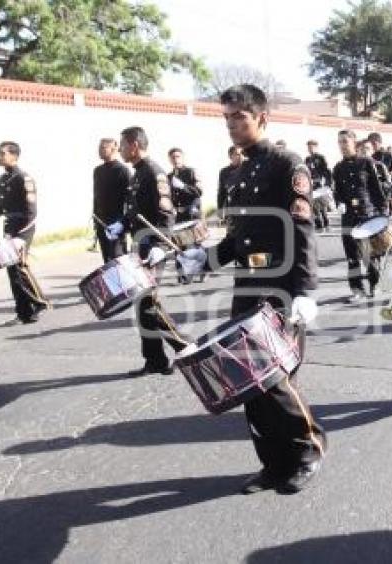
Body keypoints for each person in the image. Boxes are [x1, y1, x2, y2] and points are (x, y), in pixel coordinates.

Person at [177, 83, 326, 495]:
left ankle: (307, 452)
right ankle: (273, 463)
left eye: (238, 117)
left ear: (261, 117)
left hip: (279, 288)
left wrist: (305, 290)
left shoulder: (287, 164)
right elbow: (237, 238)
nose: (231, 125)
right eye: (226, 118)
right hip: (247, 286)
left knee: (275, 377)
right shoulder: (239, 171)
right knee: (247, 381)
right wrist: (204, 259)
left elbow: (302, 230)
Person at [108, 126, 180, 376]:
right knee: (143, 305)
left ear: (134, 145)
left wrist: (161, 247)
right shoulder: (137, 173)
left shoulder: (153, 172)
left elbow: (165, 214)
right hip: (141, 245)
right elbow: (136, 212)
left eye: (123, 145)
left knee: (147, 304)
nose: (121, 149)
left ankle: (184, 346)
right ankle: (156, 360)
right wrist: (122, 224)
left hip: (153, 247)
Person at [0, 141, 51, 324]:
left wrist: (21, 238)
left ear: (14, 156)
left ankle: (35, 304)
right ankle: (28, 310)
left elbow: (31, 212)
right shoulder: (2, 180)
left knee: (18, 269)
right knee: (14, 270)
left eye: (3, 153)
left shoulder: (24, 178)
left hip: (23, 230)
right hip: (9, 229)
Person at [333, 130, 387, 301]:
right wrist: (339, 202)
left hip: (367, 214)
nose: (342, 145)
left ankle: (374, 284)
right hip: (348, 216)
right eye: (340, 142)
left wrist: (383, 213)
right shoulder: (338, 168)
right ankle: (357, 289)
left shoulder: (366, 163)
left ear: (354, 142)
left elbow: (376, 190)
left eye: (345, 141)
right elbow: (338, 192)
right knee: (352, 255)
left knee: (370, 254)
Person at [167, 147, 204, 284]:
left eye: (177, 156)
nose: (175, 159)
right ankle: (183, 275)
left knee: (194, 244)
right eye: (172, 157)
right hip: (178, 214)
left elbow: (198, 192)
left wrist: (183, 186)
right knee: (179, 245)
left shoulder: (191, 172)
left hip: (191, 213)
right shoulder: (168, 177)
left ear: (182, 157)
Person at [93, 138, 131, 263]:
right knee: (107, 260)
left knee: (119, 258)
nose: (100, 150)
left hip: (116, 222)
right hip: (101, 221)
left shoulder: (122, 170)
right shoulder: (98, 171)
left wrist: (124, 223)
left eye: (103, 148)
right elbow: (97, 196)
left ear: (114, 149)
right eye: (99, 147)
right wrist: (95, 218)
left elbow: (129, 199)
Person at [305, 140, 333, 232]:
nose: (310, 149)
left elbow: (326, 171)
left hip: (320, 184)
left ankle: (326, 223)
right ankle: (318, 224)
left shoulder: (321, 158)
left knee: (322, 205)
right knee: (313, 205)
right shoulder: (307, 159)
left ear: (316, 147)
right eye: (308, 147)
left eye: (311, 147)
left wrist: (328, 183)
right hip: (311, 184)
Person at [217, 145, 243, 212]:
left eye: (242, 154)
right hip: (232, 209)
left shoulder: (248, 168)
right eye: (237, 154)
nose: (241, 156)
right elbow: (221, 193)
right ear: (230, 156)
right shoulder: (224, 172)